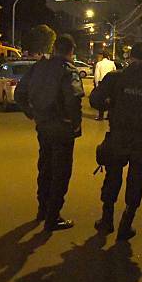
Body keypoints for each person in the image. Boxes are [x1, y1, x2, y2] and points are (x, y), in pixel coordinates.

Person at [90, 42, 142, 240]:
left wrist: (111, 104)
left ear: (130, 57)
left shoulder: (115, 78)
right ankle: (126, 223)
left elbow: (95, 100)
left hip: (118, 137)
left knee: (112, 178)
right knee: (136, 180)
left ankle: (107, 220)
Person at [14, 34, 84, 232]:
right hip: (62, 128)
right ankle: (53, 217)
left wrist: (31, 113)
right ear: (71, 51)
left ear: (54, 49)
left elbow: (20, 93)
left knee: (45, 168)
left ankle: (43, 209)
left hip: (43, 125)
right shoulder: (68, 71)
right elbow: (73, 99)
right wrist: (75, 124)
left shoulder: (38, 67)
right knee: (61, 173)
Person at [93, 51, 116, 120]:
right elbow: (114, 72)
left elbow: (97, 75)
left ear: (102, 56)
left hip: (102, 82)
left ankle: (101, 116)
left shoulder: (99, 64)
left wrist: (97, 84)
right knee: (110, 98)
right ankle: (109, 115)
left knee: (101, 99)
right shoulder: (112, 63)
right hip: (111, 82)